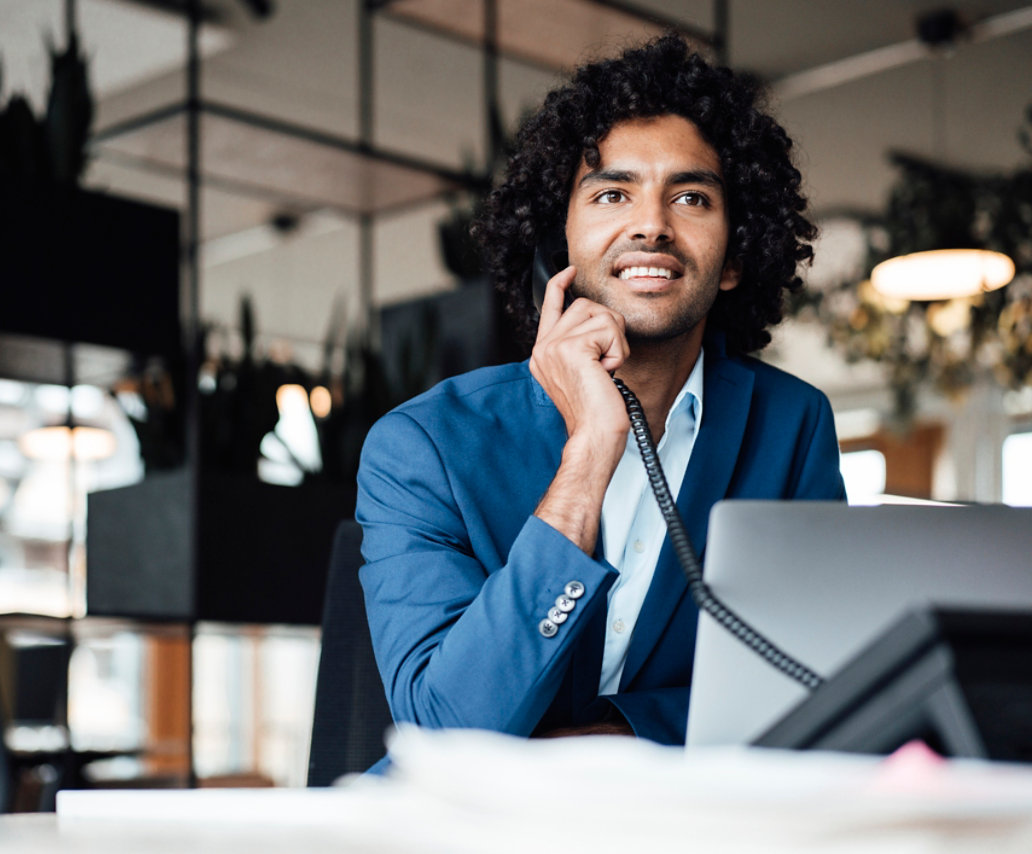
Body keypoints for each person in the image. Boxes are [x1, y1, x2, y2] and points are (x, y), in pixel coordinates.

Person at [355, 34, 846, 754]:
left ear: (736, 256)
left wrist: (618, 732)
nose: (651, 224)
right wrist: (588, 455)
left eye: (691, 196)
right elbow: (449, 728)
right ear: (559, 246)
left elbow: (810, 684)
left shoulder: (791, 426)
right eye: (612, 193)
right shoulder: (422, 445)